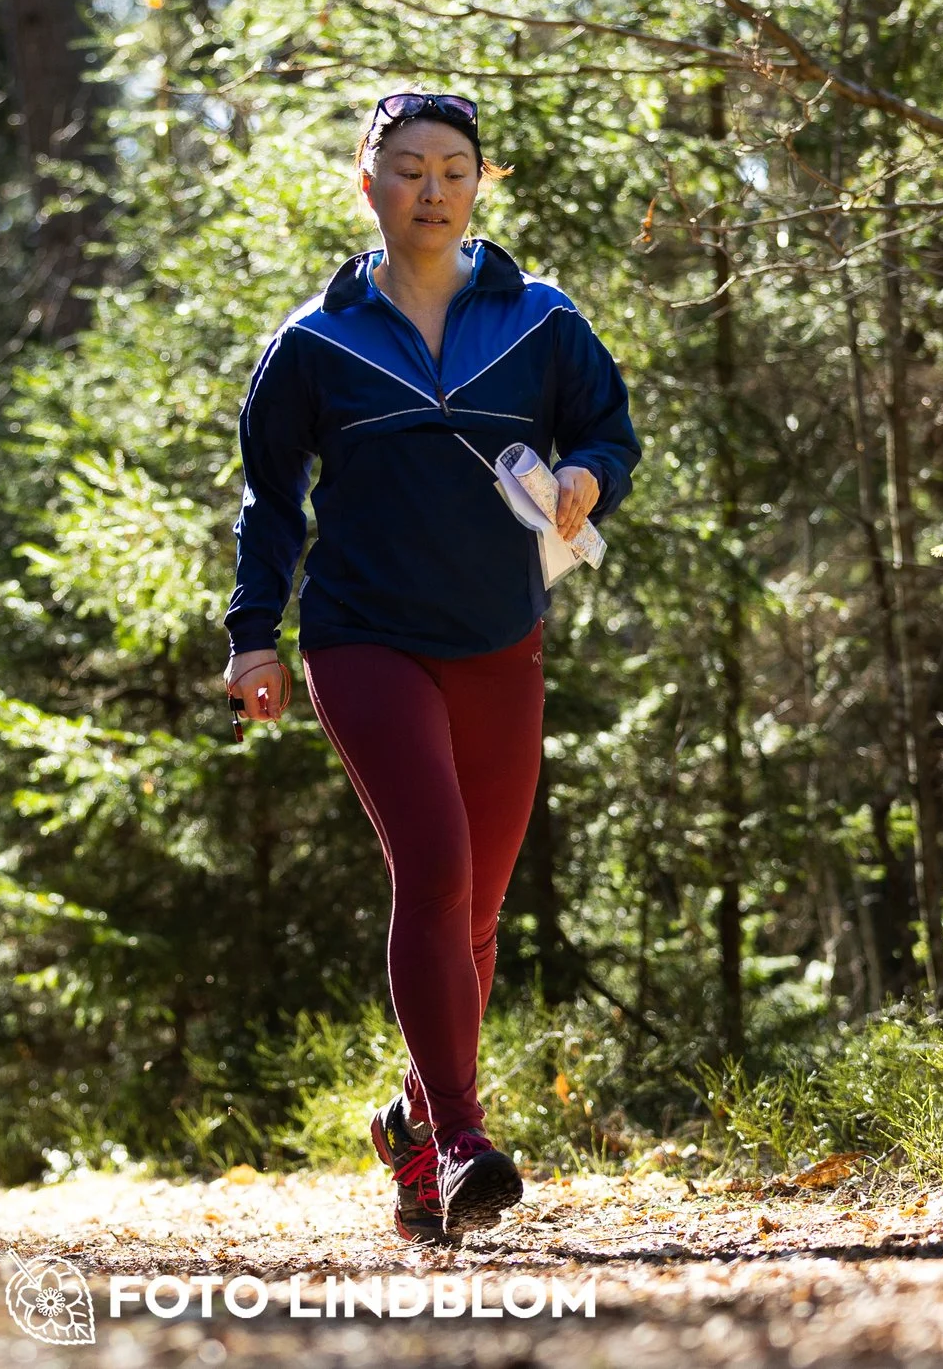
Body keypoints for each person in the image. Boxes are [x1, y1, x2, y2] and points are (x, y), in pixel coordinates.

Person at [222, 90, 641, 1242]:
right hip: (363, 639)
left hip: (500, 639)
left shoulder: (540, 321)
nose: (432, 188)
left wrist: (587, 476)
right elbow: (271, 499)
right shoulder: (314, 343)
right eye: (407, 168)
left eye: (453, 168)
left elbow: (608, 425)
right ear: (368, 183)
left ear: (479, 184)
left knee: (480, 910)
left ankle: (410, 1128)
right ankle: (460, 1135)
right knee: (436, 862)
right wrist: (254, 634)